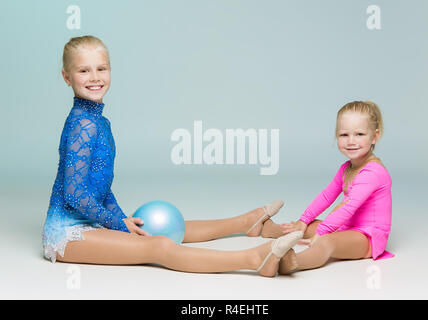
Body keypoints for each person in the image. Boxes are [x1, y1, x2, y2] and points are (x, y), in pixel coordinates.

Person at [41, 35, 303, 277]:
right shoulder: (83, 124)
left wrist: (121, 220)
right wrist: (117, 223)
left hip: (94, 219)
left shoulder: (100, 122)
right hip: (67, 235)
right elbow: (74, 194)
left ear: (110, 70)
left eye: (101, 68)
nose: (94, 77)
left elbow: (101, 188)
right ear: (66, 77)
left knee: (167, 226)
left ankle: (247, 223)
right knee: (159, 246)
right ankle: (254, 259)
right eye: (83, 70)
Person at [261, 101, 394, 274]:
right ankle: (272, 229)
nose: (351, 141)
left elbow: (348, 207)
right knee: (309, 226)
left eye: (359, 134)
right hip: (348, 228)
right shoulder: (346, 168)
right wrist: (303, 221)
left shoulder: (373, 172)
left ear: (374, 136)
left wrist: (323, 232)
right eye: (344, 134)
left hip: (367, 238)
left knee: (327, 242)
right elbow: (326, 196)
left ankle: (290, 263)